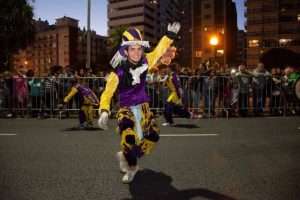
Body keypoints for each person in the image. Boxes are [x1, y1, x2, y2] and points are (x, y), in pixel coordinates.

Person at [97, 22, 181, 183]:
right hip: (126, 108)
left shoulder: (146, 61)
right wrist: (104, 111)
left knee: (153, 136)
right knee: (129, 137)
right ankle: (133, 167)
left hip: (143, 107)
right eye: (132, 48)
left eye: (139, 48)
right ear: (126, 51)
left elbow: (158, 52)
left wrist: (169, 36)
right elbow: (107, 94)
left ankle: (124, 155)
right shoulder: (118, 72)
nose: (136, 52)